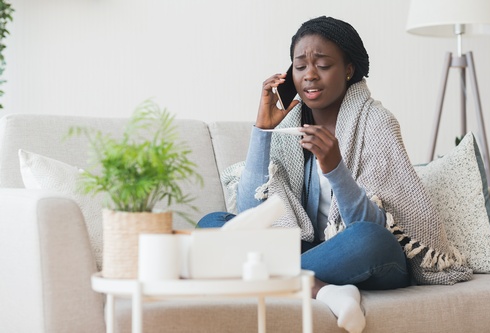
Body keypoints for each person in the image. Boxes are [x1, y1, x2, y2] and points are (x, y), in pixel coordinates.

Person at [198, 16, 472, 333]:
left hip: (368, 256)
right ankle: (320, 288)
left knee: (367, 239)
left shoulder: (377, 123)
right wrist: (263, 131)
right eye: (300, 66)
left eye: (323, 65)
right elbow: (249, 211)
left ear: (348, 69)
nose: (310, 75)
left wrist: (335, 168)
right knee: (212, 224)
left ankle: (258, 275)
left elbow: (373, 226)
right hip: (311, 253)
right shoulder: (287, 129)